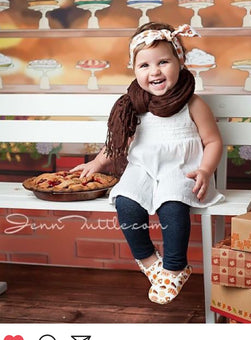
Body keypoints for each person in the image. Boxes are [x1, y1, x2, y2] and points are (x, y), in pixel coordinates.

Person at [72, 22, 224, 304]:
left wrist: (205, 169)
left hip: (181, 168)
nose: (154, 71)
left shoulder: (193, 104)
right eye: (144, 65)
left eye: (163, 62)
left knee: (172, 205)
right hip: (142, 168)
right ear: (134, 69)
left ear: (180, 62)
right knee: (126, 202)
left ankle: (175, 266)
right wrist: (98, 162)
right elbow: (119, 143)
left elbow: (213, 142)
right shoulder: (134, 106)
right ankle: (150, 261)